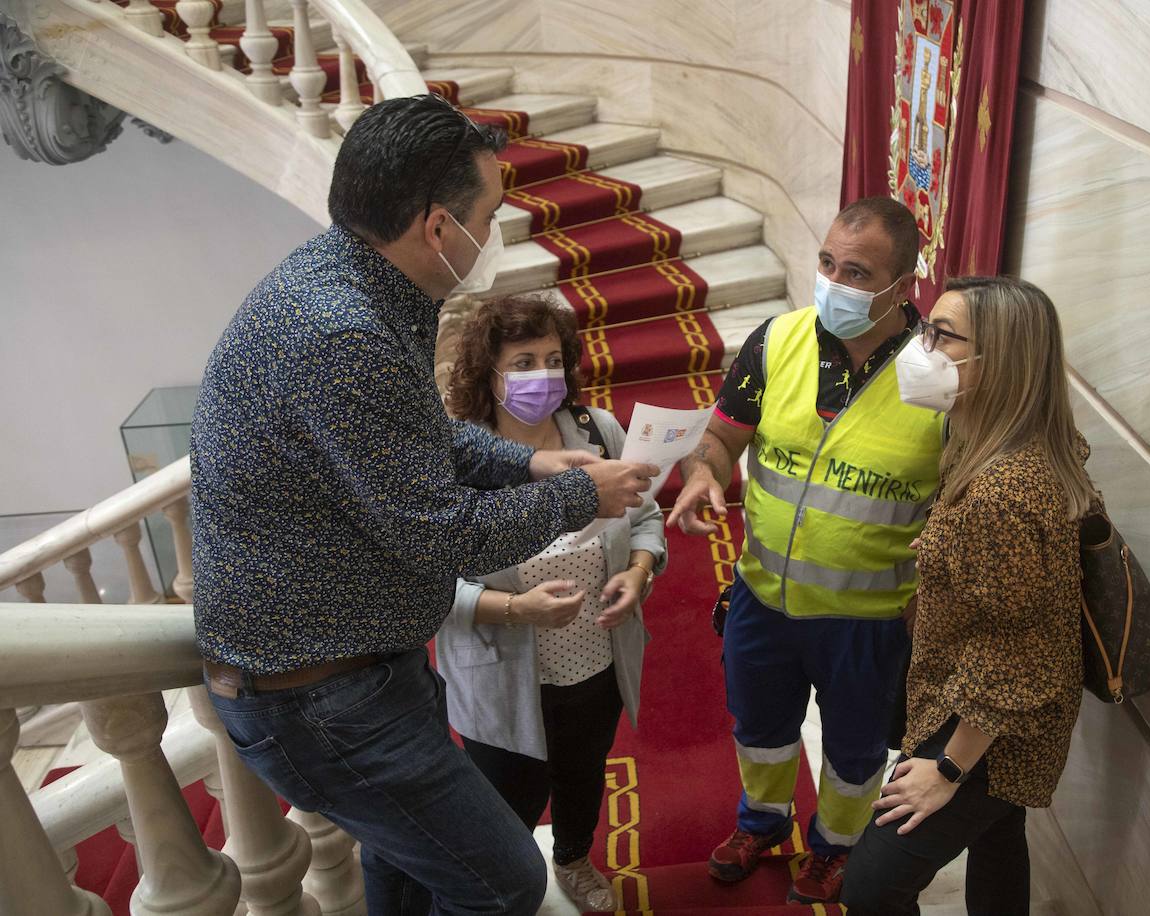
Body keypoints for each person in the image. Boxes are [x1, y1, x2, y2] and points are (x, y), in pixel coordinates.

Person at [190, 95, 657, 916]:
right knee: (505, 883)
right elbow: (441, 535)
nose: (494, 230)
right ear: (439, 227)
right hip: (321, 694)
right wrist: (580, 493)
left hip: (359, 660)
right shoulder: (343, 332)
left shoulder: (357, 283)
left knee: (408, 869)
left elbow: (416, 439)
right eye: (489, 215)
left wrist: (530, 460)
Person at [666, 196, 945, 905]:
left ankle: (835, 848)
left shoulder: (940, 377)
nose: (833, 282)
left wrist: (928, 606)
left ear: (903, 283)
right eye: (827, 263)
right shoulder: (777, 340)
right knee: (759, 730)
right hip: (761, 598)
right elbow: (722, 435)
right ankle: (760, 822)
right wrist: (703, 472)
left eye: (856, 272)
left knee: (854, 752)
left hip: (867, 620)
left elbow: (957, 505)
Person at [840, 276, 1094, 915]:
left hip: (991, 726)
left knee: (871, 886)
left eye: (942, 336)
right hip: (991, 702)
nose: (921, 348)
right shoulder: (989, 441)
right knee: (999, 841)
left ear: (999, 361)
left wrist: (948, 770)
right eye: (927, 329)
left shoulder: (1000, 492)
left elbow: (1013, 653)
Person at [434, 294, 667, 912]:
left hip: (595, 656)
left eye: (553, 359)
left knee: (583, 771)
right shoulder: (456, 458)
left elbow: (645, 518)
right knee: (505, 796)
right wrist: (517, 609)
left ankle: (573, 856)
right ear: (488, 373)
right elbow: (426, 584)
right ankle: (503, 888)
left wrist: (638, 572)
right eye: (523, 362)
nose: (543, 374)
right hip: (501, 670)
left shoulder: (596, 432)